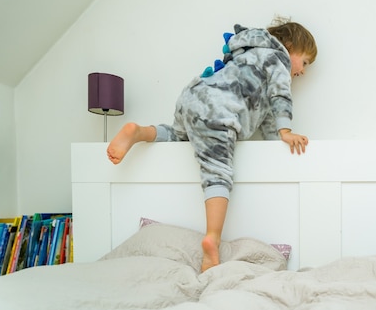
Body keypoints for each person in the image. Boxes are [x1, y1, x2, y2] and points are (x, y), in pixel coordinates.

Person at [106, 21, 317, 272]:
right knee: (218, 171)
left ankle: (139, 132)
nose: (303, 71)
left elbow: (266, 113)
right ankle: (213, 238)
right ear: (290, 46)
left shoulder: (249, 54)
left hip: (193, 96)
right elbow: (280, 97)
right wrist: (286, 131)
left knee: (179, 136)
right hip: (220, 110)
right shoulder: (277, 58)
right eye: (304, 62)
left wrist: (274, 144)